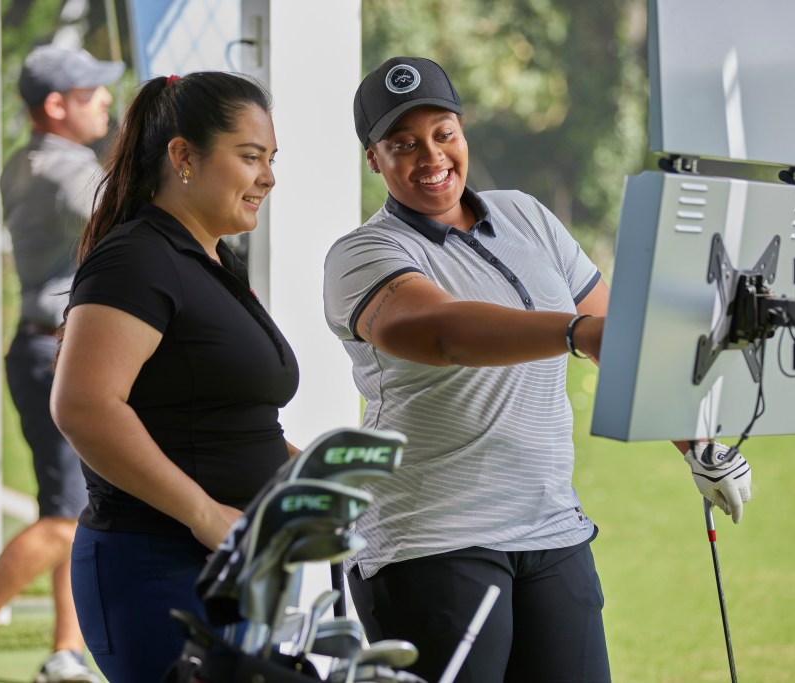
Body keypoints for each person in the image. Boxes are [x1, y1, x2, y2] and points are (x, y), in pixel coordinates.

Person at [323, 56, 754, 683]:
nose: (431, 156)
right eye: (403, 144)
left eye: (444, 133)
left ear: (463, 132)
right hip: (429, 538)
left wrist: (697, 444)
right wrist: (574, 333)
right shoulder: (364, 252)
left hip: (551, 528)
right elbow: (439, 331)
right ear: (373, 158)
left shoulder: (525, 215)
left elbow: (616, 338)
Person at [48, 71, 299, 683]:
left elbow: (218, 417)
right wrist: (204, 513)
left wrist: (316, 471)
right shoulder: (137, 258)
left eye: (270, 159)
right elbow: (84, 406)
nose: (268, 177)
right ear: (183, 156)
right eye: (250, 157)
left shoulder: (215, 260)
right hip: (160, 566)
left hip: (232, 566)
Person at [0, 44, 123, 683]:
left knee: (78, 509)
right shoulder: (66, 172)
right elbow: (134, 218)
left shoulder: (27, 160)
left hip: (46, 349)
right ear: (56, 106)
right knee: (66, 518)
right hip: (58, 356)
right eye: (92, 92)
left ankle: (66, 652)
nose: (106, 100)